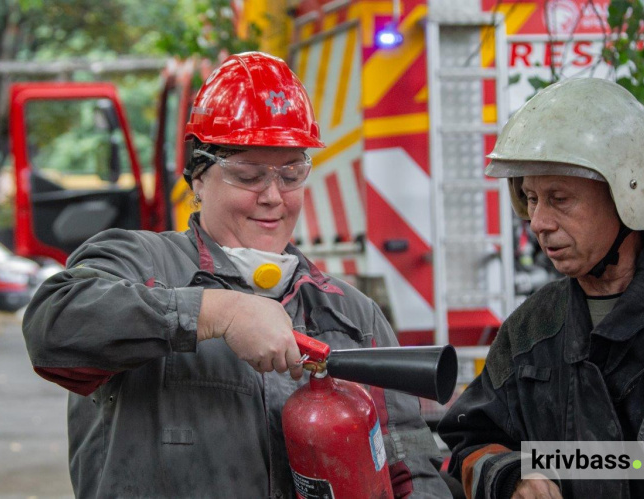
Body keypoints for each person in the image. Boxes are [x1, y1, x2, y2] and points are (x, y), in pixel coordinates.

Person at [22, 51, 449, 498]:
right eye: (248, 174)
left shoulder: (352, 315)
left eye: (291, 174)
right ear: (198, 180)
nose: (272, 196)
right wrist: (216, 313)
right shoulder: (137, 261)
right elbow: (52, 328)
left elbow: (408, 468)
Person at [438, 77, 644, 499]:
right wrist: (511, 475)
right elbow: (469, 441)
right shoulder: (529, 332)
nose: (539, 222)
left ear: (627, 196)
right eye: (531, 198)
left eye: (559, 198)